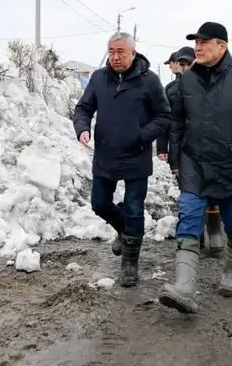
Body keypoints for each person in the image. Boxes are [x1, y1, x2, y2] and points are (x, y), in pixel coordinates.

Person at [159, 22, 232, 314]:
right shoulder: (188, 80)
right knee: (189, 215)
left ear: (222, 46)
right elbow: (177, 123)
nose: (198, 46)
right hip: (195, 162)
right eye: (196, 41)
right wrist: (175, 160)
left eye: (205, 42)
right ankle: (184, 287)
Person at [73, 32, 171, 287]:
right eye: (111, 51)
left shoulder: (149, 81)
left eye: (120, 52)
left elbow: (164, 116)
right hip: (105, 155)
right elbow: (83, 108)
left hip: (136, 157)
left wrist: (142, 136)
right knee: (99, 203)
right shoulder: (98, 78)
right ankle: (124, 230)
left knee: (135, 209)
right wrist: (82, 127)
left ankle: (130, 261)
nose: (115, 57)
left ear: (133, 53)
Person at [159, 46, 227, 256]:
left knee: (212, 191)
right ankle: (195, 241)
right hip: (183, 152)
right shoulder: (171, 90)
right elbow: (166, 122)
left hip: (211, 151)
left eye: (189, 64)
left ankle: (215, 231)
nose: (186, 68)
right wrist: (164, 149)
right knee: (190, 195)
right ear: (178, 66)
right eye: (182, 64)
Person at [156, 50, 185, 160]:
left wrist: (162, 148)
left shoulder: (171, 88)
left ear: (177, 63)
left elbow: (164, 118)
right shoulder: (171, 88)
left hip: (177, 141)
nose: (169, 67)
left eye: (170, 63)